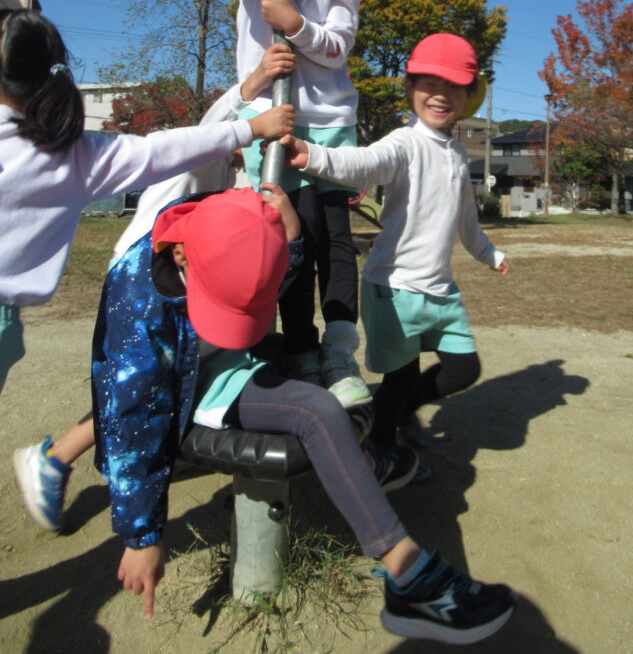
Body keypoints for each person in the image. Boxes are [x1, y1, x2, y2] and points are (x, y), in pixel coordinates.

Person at [91, 185, 516, 644]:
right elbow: (132, 421)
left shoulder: (230, 220)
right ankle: (407, 566)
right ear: (180, 255)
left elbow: (267, 276)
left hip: (228, 356)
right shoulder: (138, 309)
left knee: (320, 398)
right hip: (188, 383)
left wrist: (291, 237)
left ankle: (388, 528)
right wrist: (142, 536)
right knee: (315, 410)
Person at [12, 40, 296, 531]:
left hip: (166, 278)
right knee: (142, 383)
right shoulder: (197, 155)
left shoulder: (221, 172)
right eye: (251, 139)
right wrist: (253, 86)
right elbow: (209, 126)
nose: (248, 153)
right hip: (143, 281)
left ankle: (74, 456)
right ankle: (55, 459)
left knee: (152, 378)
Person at [0, 8, 294, 396]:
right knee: (141, 382)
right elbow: (188, 139)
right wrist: (251, 113)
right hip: (140, 272)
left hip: (150, 271)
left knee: (146, 380)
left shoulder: (62, 151)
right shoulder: (70, 154)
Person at [280, 33, 511, 472]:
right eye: (428, 83)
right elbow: (362, 164)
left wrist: (490, 254)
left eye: (454, 87)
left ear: (468, 96)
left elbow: (466, 219)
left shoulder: (458, 154)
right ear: (410, 88)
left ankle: (401, 413)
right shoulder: (405, 143)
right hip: (395, 288)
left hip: (441, 291)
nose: (440, 95)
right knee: (400, 378)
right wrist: (310, 155)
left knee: (464, 370)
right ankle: (382, 450)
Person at [210, 0, 369, 409]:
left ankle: (339, 349)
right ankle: (300, 345)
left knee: (333, 238)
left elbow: (337, 46)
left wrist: (293, 24)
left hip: (328, 121)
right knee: (285, 231)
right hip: (268, 118)